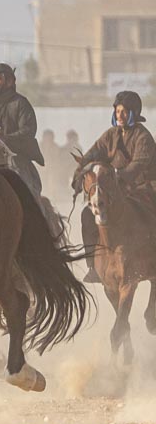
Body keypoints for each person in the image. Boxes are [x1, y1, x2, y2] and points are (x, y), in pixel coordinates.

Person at [76, 91, 156, 283]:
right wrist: (81, 169)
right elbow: (93, 153)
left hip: (144, 188)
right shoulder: (110, 134)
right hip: (116, 190)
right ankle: (92, 266)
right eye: (117, 110)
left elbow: (140, 163)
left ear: (134, 113)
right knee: (88, 215)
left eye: (124, 111)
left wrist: (119, 177)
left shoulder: (143, 136)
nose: (119, 115)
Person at [0, 63, 45, 195]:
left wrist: (2, 139)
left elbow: (28, 131)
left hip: (15, 156)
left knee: (26, 192)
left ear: (10, 81)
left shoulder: (20, 103)